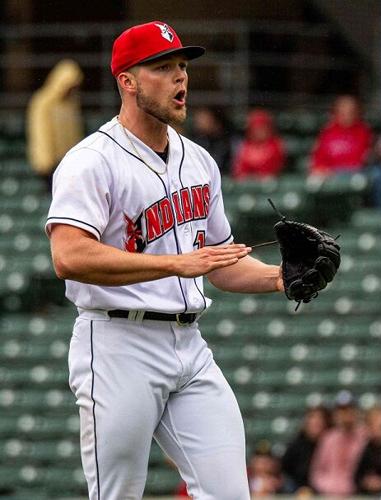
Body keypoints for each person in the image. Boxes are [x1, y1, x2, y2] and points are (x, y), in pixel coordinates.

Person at [46, 21, 286, 499]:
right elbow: (68, 256)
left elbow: (220, 263)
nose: (180, 78)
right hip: (117, 343)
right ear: (127, 82)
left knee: (230, 494)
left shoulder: (198, 160)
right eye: (162, 67)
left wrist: (281, 278)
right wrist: (176, 264)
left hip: (189, 345)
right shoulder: (91, 159)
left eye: (182, 66)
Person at [26, 59, 84, 192]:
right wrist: (45, 162)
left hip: (68, 161)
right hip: (50, 164)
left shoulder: (71, 104)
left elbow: (75, 131)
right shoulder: (43, 102)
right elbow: (40, 133)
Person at [308, 391, 368, 495]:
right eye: (342, 411)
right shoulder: (328, 438)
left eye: (349, 410)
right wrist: (330, 487)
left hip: (358, 493)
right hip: (330, 493)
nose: (345, 415)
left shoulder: (365, 437)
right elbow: (316, 473)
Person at [309, 95, 373, 176]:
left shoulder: (364, 131)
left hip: (356, 173)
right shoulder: (327, 131)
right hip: (329, 174)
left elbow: (361, 158)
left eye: (350, 112)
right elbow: (318, 158)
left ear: (357, 113)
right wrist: (321, 169)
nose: (346, 116)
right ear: (336, 113)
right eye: (342, 112)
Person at [280, 406, 330, 492]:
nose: (316, 422)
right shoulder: (296, 445)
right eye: (312, 418)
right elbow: (284, 470)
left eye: (320, 419)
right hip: (297, 490)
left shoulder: (330, 444)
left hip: (324, 489)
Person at [231, 109, 286, 180]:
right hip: (247, 184)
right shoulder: (245, 146)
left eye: (262, 128)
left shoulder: (276, 144)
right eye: (255, 128)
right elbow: (239, 170)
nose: (258, 132)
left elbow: (273, 169)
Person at [189, 106, 235, 176]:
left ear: (213, 120)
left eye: (203, 119)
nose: (199, 122)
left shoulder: (226, 140)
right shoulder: (196, 139)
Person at [355, 405, 381, 495]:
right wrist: (366, 482)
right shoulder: (366, 448)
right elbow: (357, 477)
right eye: (372, 424)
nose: (378, 429)